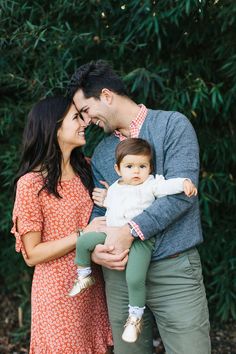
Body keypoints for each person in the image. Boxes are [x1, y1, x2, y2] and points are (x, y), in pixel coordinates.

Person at [67, 60, 211, 354]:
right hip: (119, 274)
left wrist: (131, 230)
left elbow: (182, 194)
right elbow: (102, 208)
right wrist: (97, 250)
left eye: (85, 111)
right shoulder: (104, 151)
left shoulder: (172, 125)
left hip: (174, 269)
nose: (85, 121)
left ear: (106, 96)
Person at [69, 137, 197, 344]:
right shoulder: (115, 188)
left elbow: (166, 187)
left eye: (142, 166)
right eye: (130, 166)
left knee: (135, 278)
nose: (136, 171)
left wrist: (183, 183)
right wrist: (104, 198)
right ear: (118, 169)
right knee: (83, 241)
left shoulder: (151, 184)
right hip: (111, 233)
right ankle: (84, 275)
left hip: (140, 240)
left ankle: (134, 317)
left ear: (150, 168)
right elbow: (107, 204)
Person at [11, 96, 112, 354]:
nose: (84, 123)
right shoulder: (32, 184)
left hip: (94, 287)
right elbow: (32, 254)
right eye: (76, 117)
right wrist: (81, 235)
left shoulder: (88, 170)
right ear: (54, 128)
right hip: (58, 294)